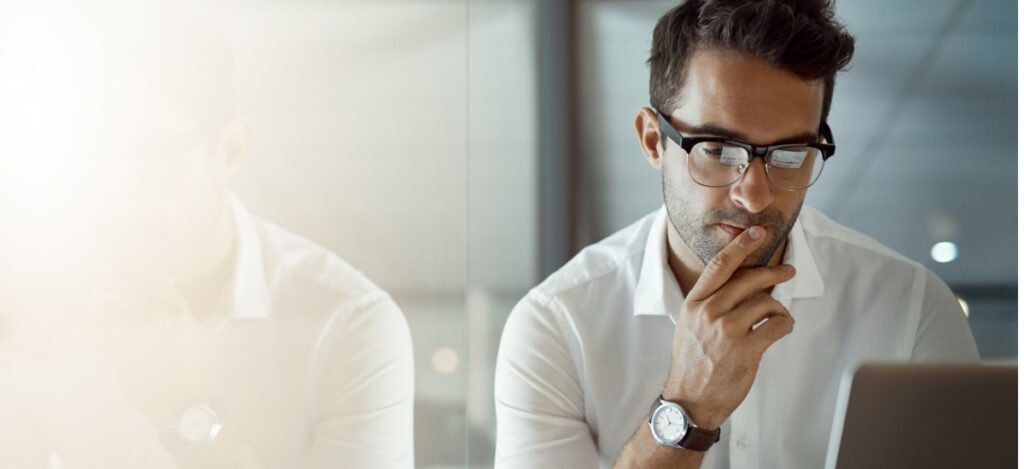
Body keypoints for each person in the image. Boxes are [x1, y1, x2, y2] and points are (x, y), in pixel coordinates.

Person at [493, 1, 978, 468]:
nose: (754, 194)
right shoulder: (557, 325)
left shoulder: (912, 310)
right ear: (651, 140)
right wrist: (688, 408)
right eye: (719, 148)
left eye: (790, 152)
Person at [0, 4, 414, 468]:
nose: (114, 192)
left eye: (148, 155)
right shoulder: (33, 316)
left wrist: (185, 411)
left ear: (230, 150)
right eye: (94, 158)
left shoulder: (349, 327)